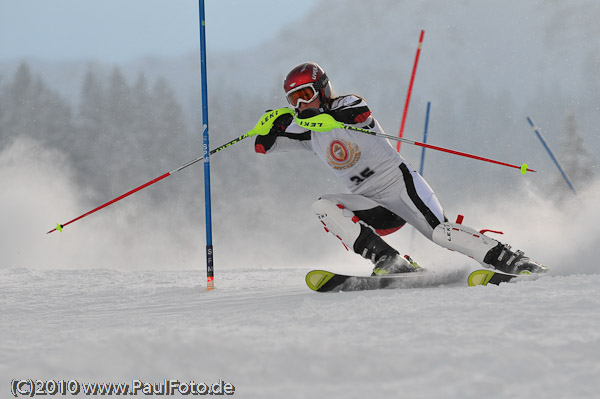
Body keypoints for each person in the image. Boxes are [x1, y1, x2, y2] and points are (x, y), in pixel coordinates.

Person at [252, 61, 547, 276]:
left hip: (400, 184)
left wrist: (321, 116)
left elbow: (360, 113)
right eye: (294, 99)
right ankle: (392, 262)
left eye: (307, 94)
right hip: (372, 203)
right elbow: (263, 147)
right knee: (323, 206)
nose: (302, 103)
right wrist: (270, 128)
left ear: (323, 89)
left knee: (440, 233)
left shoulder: (346, 104)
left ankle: (509, 259)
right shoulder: (308, 131)